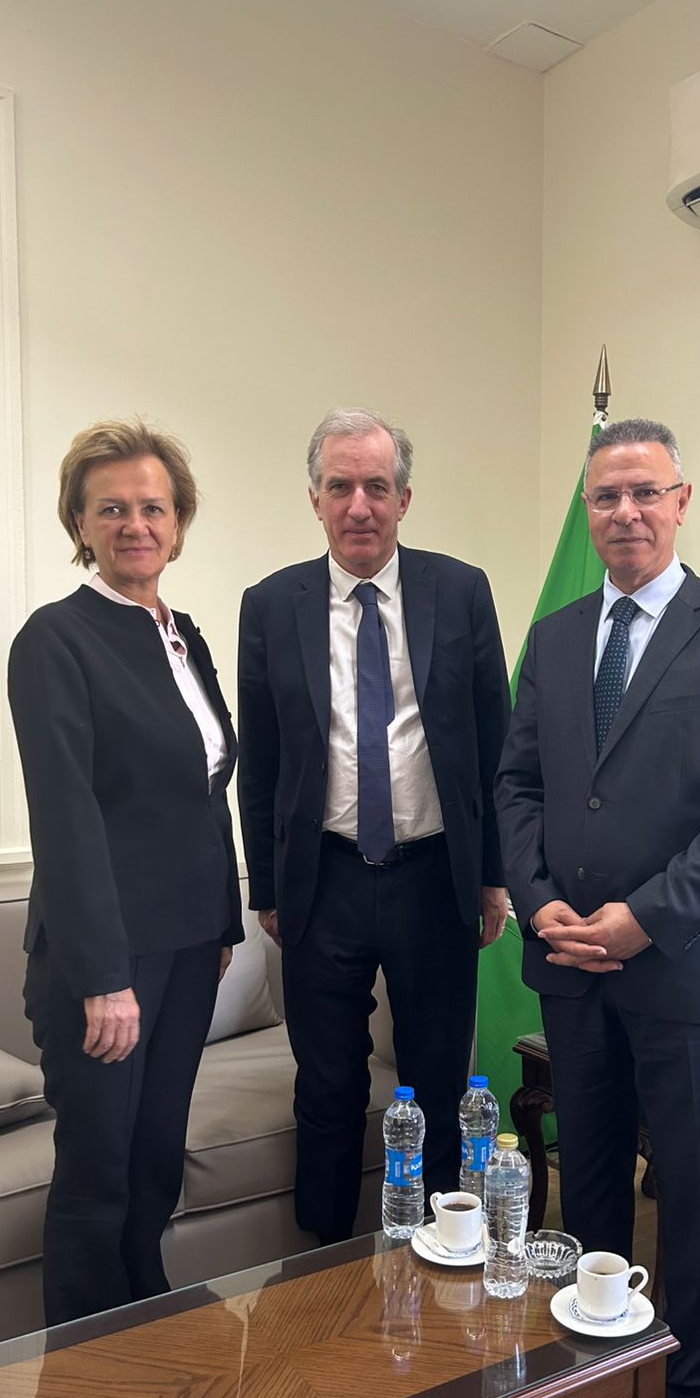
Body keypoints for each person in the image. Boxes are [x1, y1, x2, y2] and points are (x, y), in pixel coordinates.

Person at [495, 417, 700, 1398]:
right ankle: (594, 1377)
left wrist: (643, 920)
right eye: (605, 497)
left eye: (644, 493)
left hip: (687, 970)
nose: (624, 512)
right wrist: (537, 898)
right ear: (587, 511)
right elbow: (519, 783)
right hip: (570, 962)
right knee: (590, 1188)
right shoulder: (557, 635)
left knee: (698, 1201)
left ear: (681, 500)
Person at [237, 407, 511, 1245]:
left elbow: (495, 742)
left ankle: (441, 1257)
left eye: (377, 487)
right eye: (341, 487)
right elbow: (261, 760)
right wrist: (268, 890)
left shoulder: (460, 591)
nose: (360, 505)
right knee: (326, 1089)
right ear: (315, 500)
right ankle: (320, 1268)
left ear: (404, 499)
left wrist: (493, 876)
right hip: (324, 881)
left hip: (434, 876)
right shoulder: (270, 605)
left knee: (438, 1080)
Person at [8, 419, 243, 1324]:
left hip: (187, 949)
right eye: (111, 509)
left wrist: (222, 926)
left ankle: (146, 1332)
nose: (135, 525)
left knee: (153, 1161)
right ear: (80, 522)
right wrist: (104, 980)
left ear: (178, 522)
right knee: (98, 1174)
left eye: (153, 507)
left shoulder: (182, 635)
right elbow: (66, 820)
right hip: (103, 963)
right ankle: (80, 1370)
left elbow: (203, 793)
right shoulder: (55, 640)